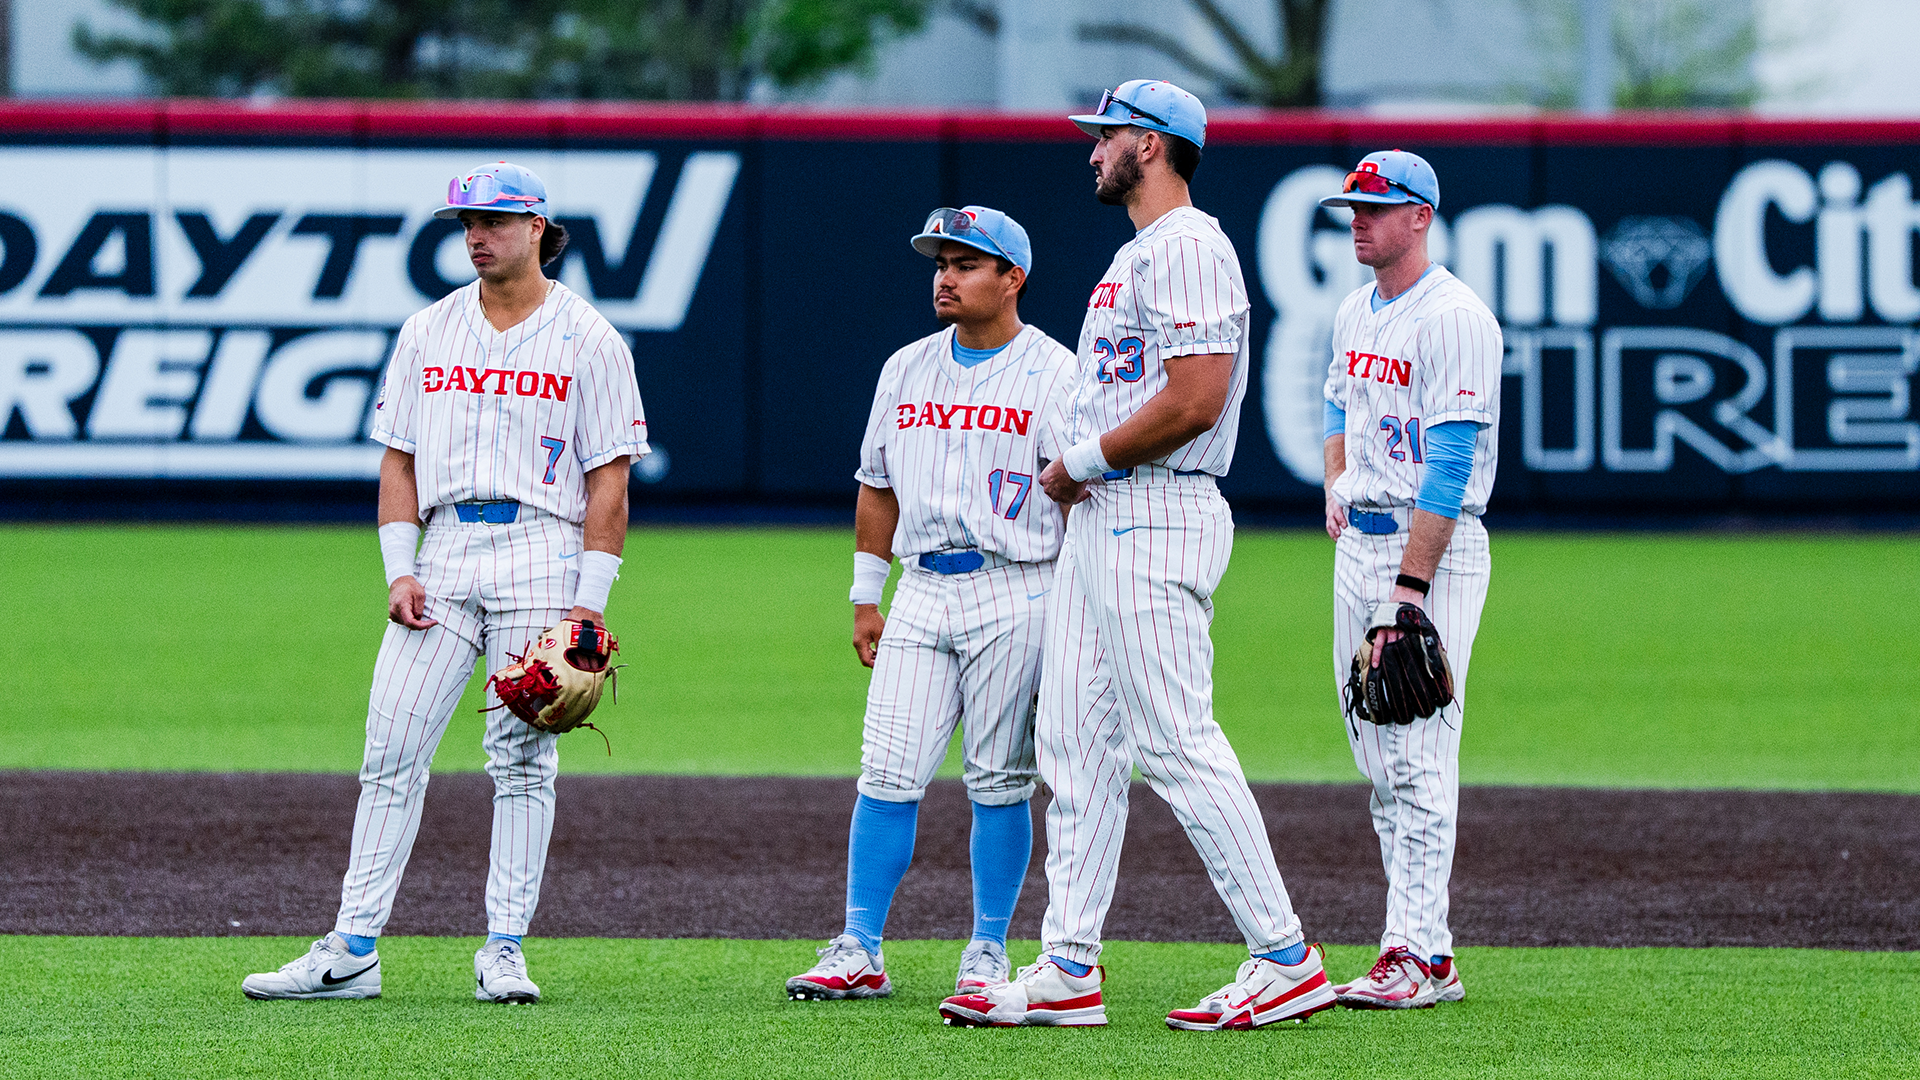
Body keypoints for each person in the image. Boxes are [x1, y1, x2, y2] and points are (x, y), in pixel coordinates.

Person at [940, 80, 1336, 1032]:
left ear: (1153, 146)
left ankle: (1283, 954)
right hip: (1103, 519)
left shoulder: (1190, 246)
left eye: (1108, 135)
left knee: (1175, 742)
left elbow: (1199, 396)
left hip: (1153, 512)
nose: (1093, 150)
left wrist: (1081, 458)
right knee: (1074, 749)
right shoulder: (1144, 252)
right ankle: (1069, 962)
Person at [241, 161, 648, 1004]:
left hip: (544, 545)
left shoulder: (591, 339)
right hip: (446, 549)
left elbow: (609, 478)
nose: (475, 234)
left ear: (537, 227)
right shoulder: (427, 329)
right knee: (390, 747)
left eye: (494, 219)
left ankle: (504, 949)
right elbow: (399, 458)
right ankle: (352, 948)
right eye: (466, 220)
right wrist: (399, 568)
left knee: (524, 755)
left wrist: (588, 603)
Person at [785, 206, 1078, 1002]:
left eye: (967, 263)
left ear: (1012, 278)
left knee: (999, 780)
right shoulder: (906, 366)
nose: (946, 276)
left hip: (1018, 585)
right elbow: (876, 483)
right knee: (885, 770)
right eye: (940, 261)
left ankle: (987, 949)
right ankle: (859, 944)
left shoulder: (1056, 371)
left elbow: (1082, 491)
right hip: (921, 588)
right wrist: (865, 594)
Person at [1318, 150, 1500, 1009]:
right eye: (1352, 204)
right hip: (1362, 545)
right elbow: (1333, 406)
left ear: (1421, 214)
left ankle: (1414, 955)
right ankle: (1430, 950)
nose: (1359, 217)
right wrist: (1336, 482)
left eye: (1377, 205)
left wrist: (1410, 590)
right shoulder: (1357, 309)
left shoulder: (1455, 316)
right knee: (1379, 760)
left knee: (1419, 754)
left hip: (1431, 552)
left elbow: (1453, 458)